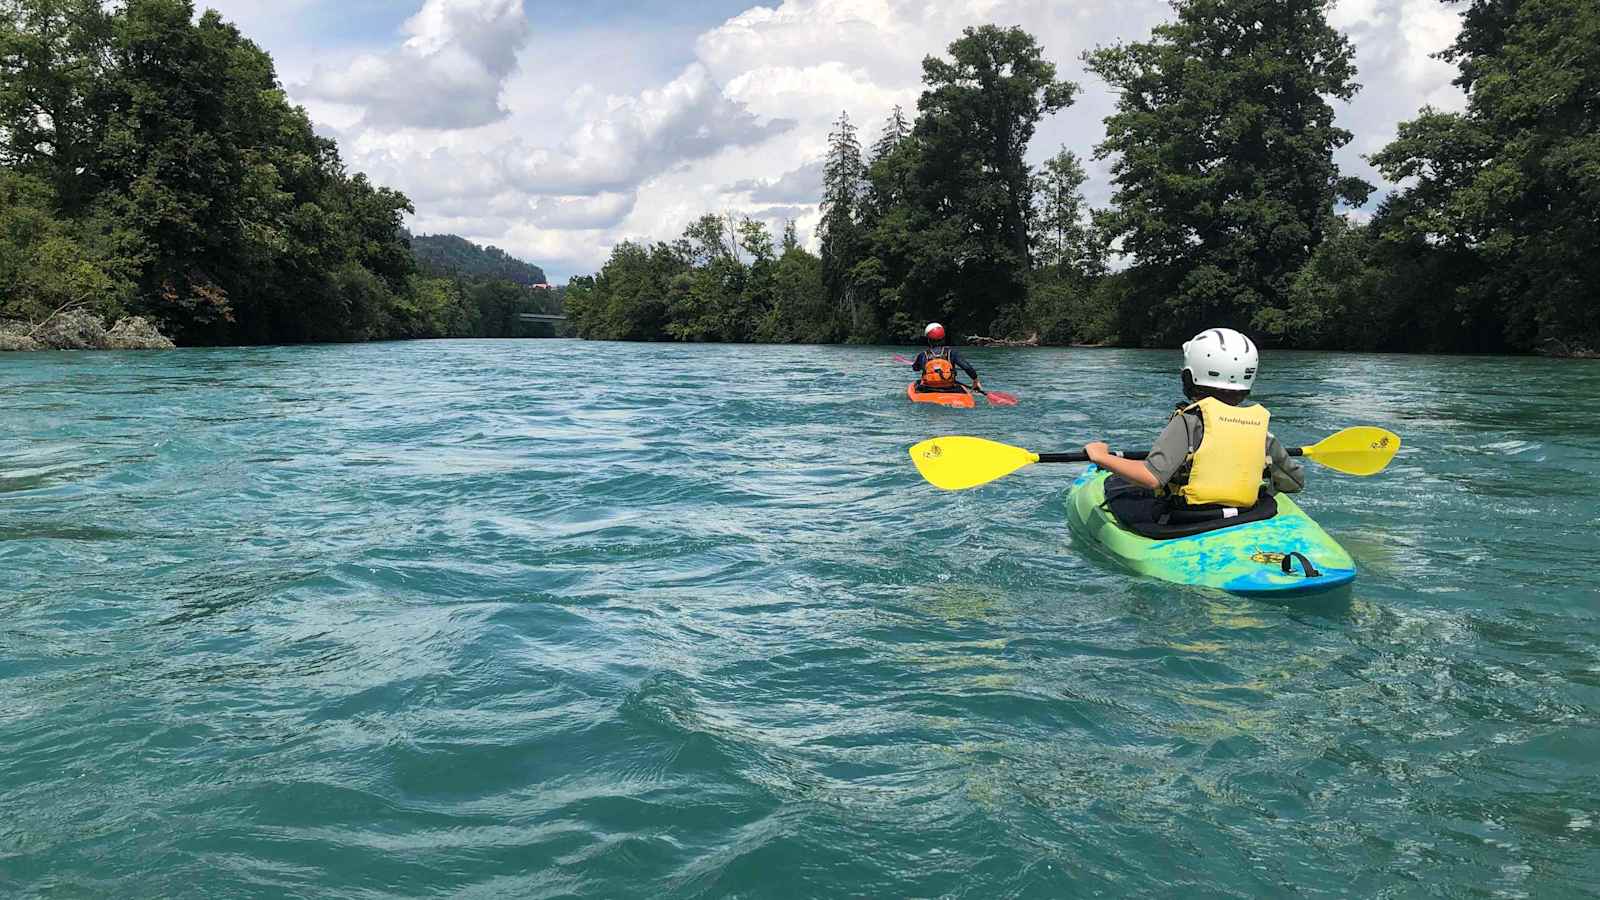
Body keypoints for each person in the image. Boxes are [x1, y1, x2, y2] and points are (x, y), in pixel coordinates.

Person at [1084, 327, 1304, 531]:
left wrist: (1101, 456)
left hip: (1188, 518)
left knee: (1123, 493)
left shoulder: (1189, 420)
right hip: (1246, 514)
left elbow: (1151, 477)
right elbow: (1294, 483)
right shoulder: (1261, 429)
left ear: (1189, 377)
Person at [911, 322, 981, 394]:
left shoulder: (923, 355)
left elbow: (915, 368)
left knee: (917, 383)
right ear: (943, 339)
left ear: (928, 340)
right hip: (949, 388)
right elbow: (967, 367)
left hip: (928, 389)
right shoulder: (952, 353)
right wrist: (975, 380)